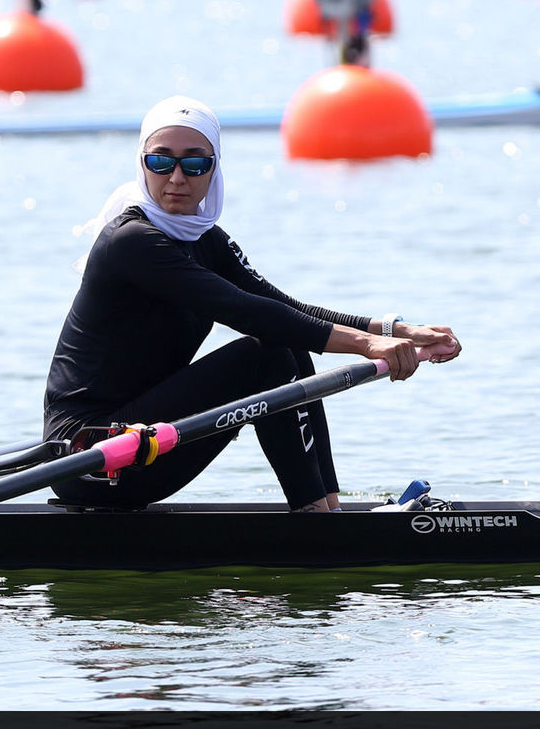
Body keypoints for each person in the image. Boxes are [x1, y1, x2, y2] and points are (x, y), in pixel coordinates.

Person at [42, 95, 461, 512]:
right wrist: (366, 347)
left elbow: (281, 307)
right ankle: (316, 518)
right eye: (160, 161)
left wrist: (395, 330)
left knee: (288, 340)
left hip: (144, 442)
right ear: (142, 164)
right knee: (266, 352)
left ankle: (327, 506)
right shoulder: (131, 241)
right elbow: (242, 309)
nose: (176, 177)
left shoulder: (206, 241)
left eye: (194, 163)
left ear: (213, 169)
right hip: (89, 455)